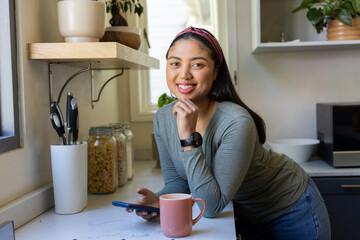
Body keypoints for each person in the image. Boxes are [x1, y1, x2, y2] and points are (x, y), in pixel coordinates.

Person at [129, 26, 331, 239]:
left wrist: (188, 138)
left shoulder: (236, 121)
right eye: (175, 63)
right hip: (245, 214)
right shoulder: (162, 119)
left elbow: (212, 206)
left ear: (216, 71)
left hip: (290, 208)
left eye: (197, 64)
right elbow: (179, 183)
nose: (184, 74)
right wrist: (159, 200)